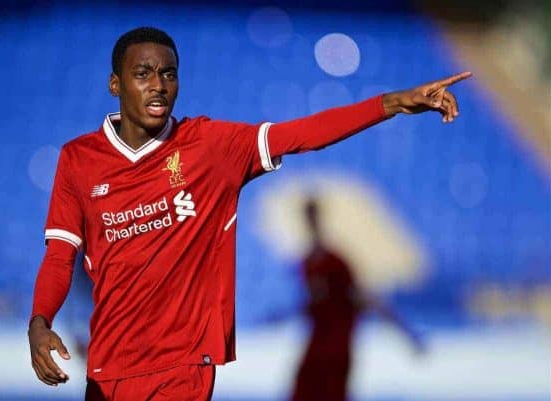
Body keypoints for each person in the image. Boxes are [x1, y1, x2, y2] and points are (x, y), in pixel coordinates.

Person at [27, 26, 471, 401]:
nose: (158, 85)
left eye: (168, 74)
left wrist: (392, 103)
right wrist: (40, 321)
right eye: (142, 73)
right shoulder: (78, 159)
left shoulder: (210, 147)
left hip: (183, 366)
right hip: (110, 367)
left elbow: (301, 134)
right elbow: (60, 256)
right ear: (116, 84)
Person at [291, 199, 424, 401]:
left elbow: (364, 298)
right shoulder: (307, 262)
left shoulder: (336, 262)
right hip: (317, 350)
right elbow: (316, 304)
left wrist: (405, 332)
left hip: (337, 350)